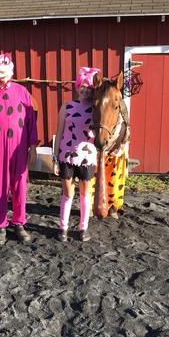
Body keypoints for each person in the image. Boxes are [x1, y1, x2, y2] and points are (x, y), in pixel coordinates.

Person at [0, 53, 38, 246]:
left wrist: (33, 145)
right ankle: (1, 225)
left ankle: (19, 223)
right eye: (0, 72)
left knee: (19, 185)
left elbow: (31, 119)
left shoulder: (22, 91)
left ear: (11, 72)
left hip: (19, 146)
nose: (3, 76)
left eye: (6, 72)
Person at [53, 67, 100, 242]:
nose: (85, 90)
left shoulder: (96, 109)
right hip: (67, 156)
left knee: (85, 194)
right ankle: (63, 227)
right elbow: (59, 132)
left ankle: (83, 228)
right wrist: (55, 157)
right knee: (67, 194)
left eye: (89, 88)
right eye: (83, 86)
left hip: (87, 158)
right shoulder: (67, 106)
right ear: (78, 86)